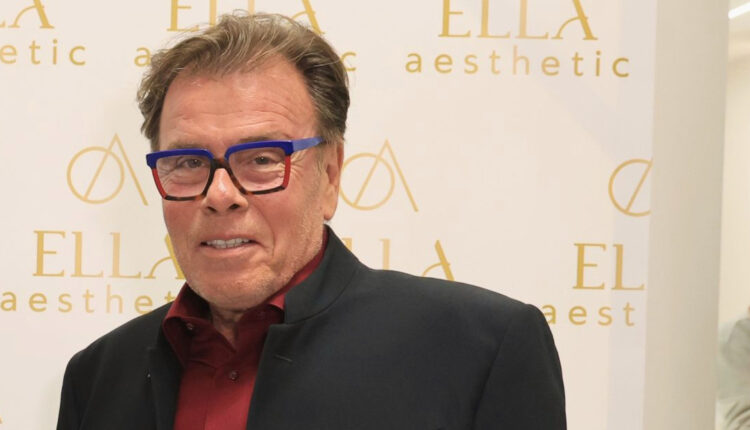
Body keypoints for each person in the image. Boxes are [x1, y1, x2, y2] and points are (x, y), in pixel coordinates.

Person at [57, 12, 566, 430]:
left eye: (261, 159)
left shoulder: (478, 351)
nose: (220, 195)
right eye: (188, 162)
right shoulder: (98, 376)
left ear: (329, 175)